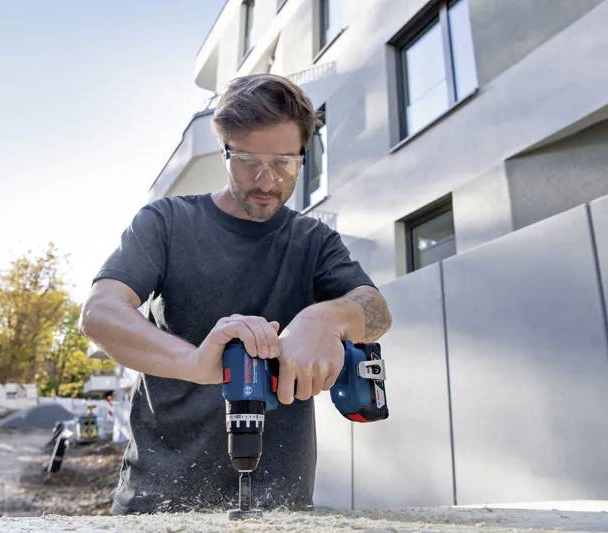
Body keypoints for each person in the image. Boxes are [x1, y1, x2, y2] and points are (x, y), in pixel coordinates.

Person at [79, 73, 392, 514]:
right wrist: (194, 362)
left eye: (284, 163)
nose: (266, 181)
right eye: (247, 161)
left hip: (281, 507)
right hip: (158, 499)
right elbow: (99, 313)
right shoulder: (166, 223)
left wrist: (321, 320)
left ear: (304, 155)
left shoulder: (314, 241)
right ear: (223, 149)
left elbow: (376, 310)